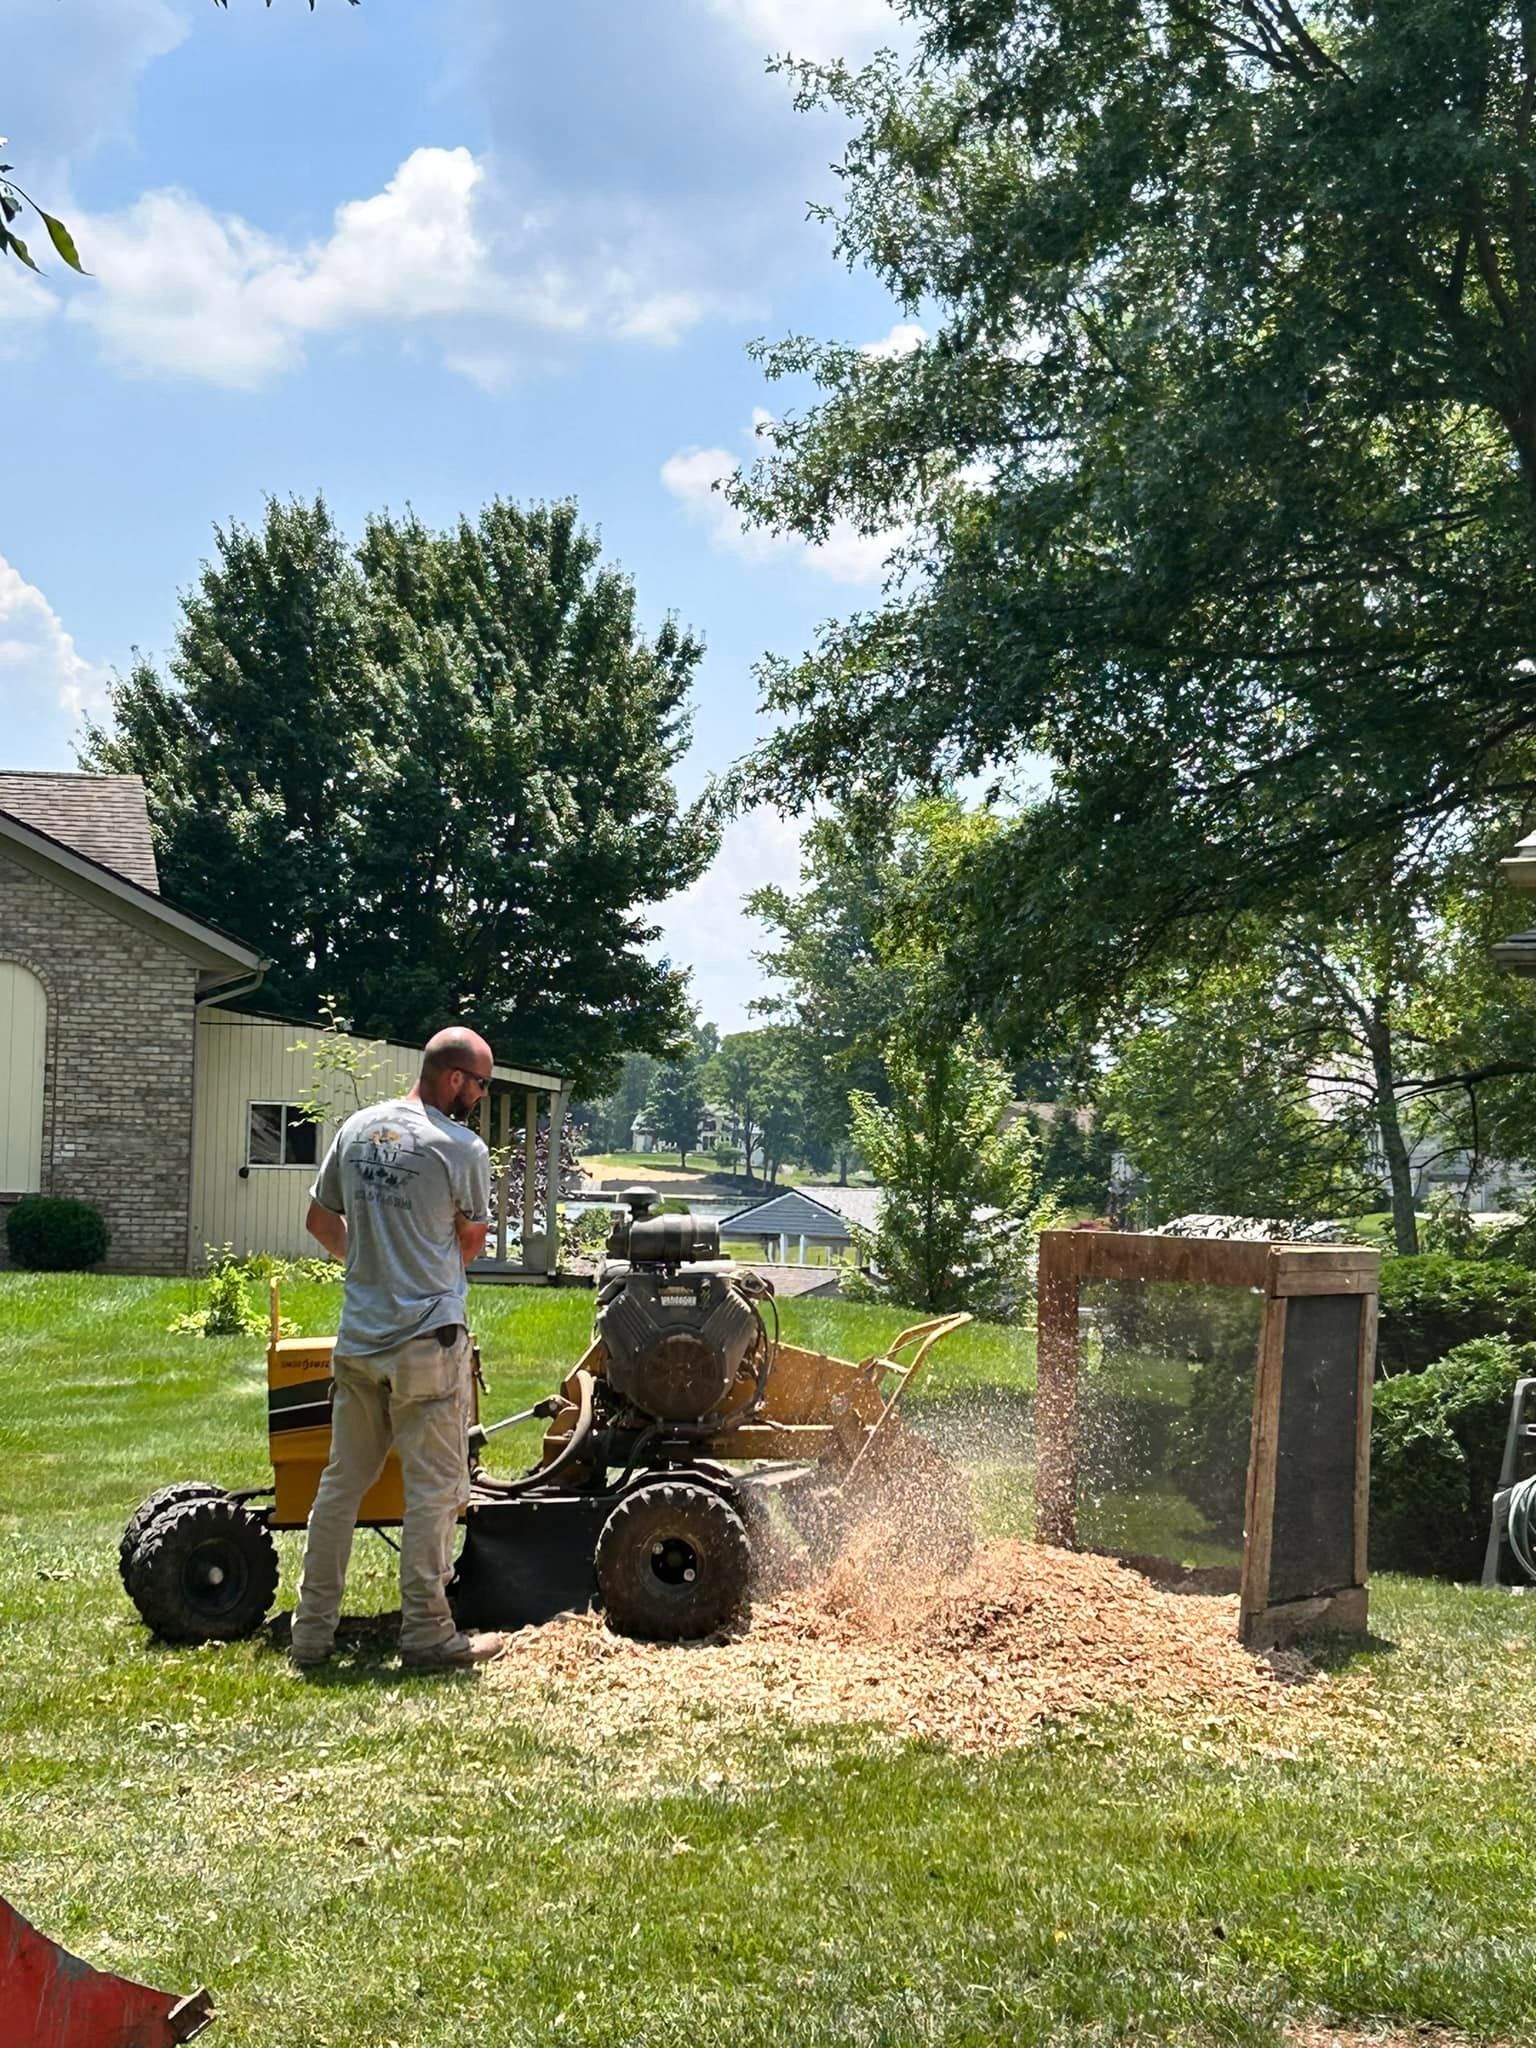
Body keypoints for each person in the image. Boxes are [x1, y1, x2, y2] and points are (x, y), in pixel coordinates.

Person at [288, 1025, 508, 1671]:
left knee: (339, 1488)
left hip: (358, 1341)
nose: (481, 1098)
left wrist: (373, 1265)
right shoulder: (461, 1147)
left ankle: (311, 1636)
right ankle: (427, 1635)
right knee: (435, 1489)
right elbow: (470, 1244)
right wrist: (421, 1269)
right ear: (455, 1079)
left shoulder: (356, 1130)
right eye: (482, 1085)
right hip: (426, 1345)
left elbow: (320, 1222)